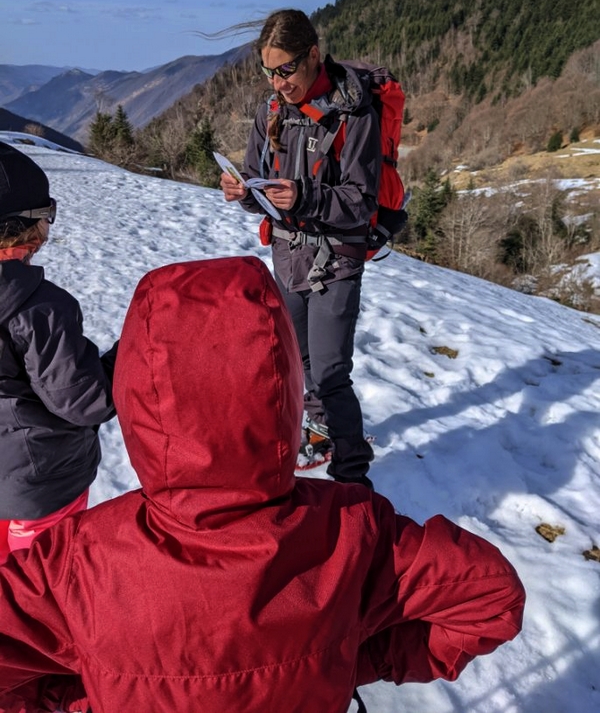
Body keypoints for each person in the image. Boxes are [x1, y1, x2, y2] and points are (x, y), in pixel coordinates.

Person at [0, 256, 525, 713]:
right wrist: (347, 662)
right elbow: (490, 598)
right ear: (286, 392)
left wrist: (90, 694)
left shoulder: (76, 562)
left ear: (138, 395)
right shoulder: (354, 530)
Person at [220, 9, 379, 488]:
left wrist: (305, 196)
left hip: (336, 260)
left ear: (313, 54)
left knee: (331, 373)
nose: (277, 82)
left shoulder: (355, 111)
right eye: (268, 71)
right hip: (288, 254)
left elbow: (361, 202)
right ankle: (320, 425)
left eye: (286, 69)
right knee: (296, 356)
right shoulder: (271, 111)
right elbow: (261, 182)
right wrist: (247, 191)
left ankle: (354, 482)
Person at [0, 142, 117, 566]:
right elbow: (84, 403)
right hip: (41, 490)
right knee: (43, 596)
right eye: (47, 216)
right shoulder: (40, 307)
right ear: (24, 229)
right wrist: (127, 357)